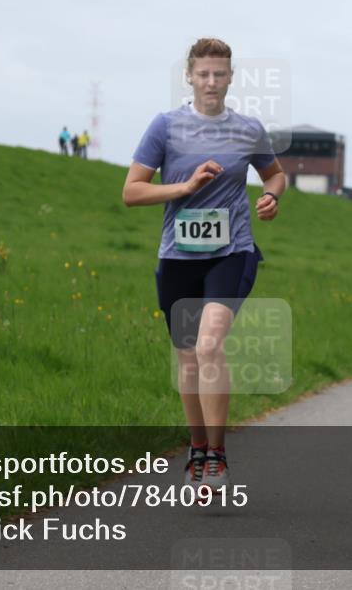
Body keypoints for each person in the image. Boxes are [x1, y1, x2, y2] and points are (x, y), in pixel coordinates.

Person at [122, 37, 286, 489]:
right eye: (203, 74)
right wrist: (183, 188)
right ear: (189, 77)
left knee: (210, 346)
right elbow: (132, 191)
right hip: (178, 257)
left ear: (231, 77)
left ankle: (216, 453)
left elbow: (273, 171)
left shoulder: (248, 128)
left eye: (220, 74)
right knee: (188, 359)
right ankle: (197, 446)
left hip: (232, 251)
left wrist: (271, 194)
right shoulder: (166, 127)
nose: (211, 81)